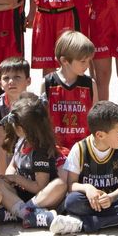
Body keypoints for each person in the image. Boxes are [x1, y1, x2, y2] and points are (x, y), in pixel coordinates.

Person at [48, 101, 118, 236]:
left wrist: (111, 197)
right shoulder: (80, 149)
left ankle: (80, 224)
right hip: (88, 201)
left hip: (112, 200)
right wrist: (88, 188)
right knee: (71, 201)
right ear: (100, 135)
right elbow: (72, 185)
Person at [0, 93, 72, 229]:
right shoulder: (21, 142)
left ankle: (20, 212)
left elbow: (40, 186)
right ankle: (29, 215)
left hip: (41, 198)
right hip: (22, 195)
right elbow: (13, 165)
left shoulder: (39, 151)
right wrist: (8, 178)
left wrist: (16, 179)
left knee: (59, 185)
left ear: (21, 128)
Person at [42, 31, 97, 159]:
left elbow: (95, 119)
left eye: (89, 61)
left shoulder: (90, 84)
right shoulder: (47, 83)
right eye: (83, 61)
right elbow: (42, 120)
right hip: (55, 150)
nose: (88, 65)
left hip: (83, 150)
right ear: (64, 61)